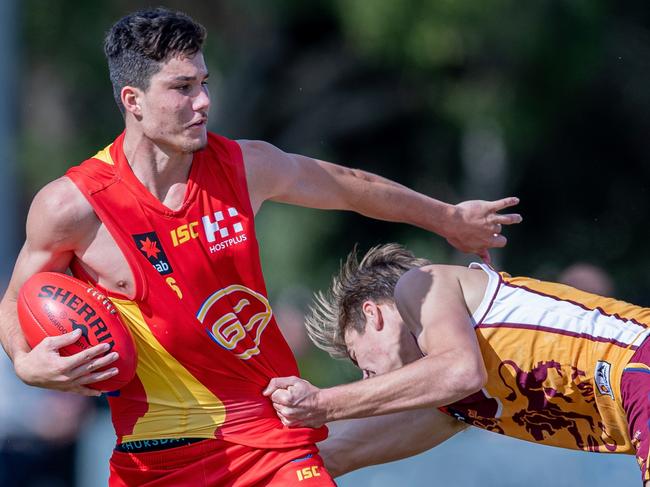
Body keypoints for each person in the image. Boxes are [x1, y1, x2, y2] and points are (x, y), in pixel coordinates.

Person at [0, 8, 522, 487]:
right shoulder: (72, 205)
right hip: (149, 453)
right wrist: (26, 363)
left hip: (267, 440)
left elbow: (349, 184)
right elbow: (15, 298)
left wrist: (449, 218)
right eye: (182, 88)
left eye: (203, 83)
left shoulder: (244, 167)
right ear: (132, 100)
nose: (203, 101)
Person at [265, 243, 650, 485]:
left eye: (359, 359)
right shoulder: (457, 406)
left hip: (638, 366)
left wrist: (321, 403)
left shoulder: (418, 285)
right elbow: (332, 456)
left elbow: (459, 371)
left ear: (374, 315)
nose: (367, 378)